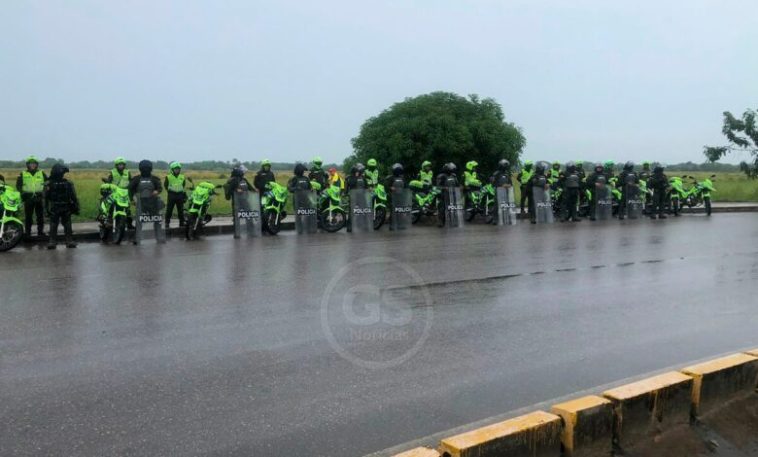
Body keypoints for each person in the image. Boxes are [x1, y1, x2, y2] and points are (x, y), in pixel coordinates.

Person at [128, 160, 164, 244]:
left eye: (147, 168)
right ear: (141, 169)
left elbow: (160, 188)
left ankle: (159, 237)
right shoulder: (136, 179)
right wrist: (132, 199)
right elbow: (130, 190)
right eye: (144, 169)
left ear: (150, 169)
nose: (146, 170)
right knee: (139, 221)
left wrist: (157, 191)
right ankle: (137, 239)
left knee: (157, 219)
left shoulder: (155, 179)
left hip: (153, 203)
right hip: (140, 203)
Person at [44, 164, 79, 249]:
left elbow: (73, 196)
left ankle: (69, 240)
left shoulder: (68, 183)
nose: (62, 174)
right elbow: (44, 198)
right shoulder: (49, 184)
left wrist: (76, 206)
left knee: (67, 224)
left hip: (66, 206)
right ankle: (52, 241)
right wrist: (45, 209)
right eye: (62, 172)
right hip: (55, 206)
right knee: (53, 224)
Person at [16, 155, 47, 238]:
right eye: (30, 163)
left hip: (39, 197)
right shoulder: (23, 173)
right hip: (28, 197)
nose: (32, 165)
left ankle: (40, 232)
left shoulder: (42, 173)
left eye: (34, 163)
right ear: (27, 164)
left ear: (37, 164)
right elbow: (18, 185)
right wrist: (22, 193)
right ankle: (28, 233)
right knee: (28, 217)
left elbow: (47, 184)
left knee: (40, 217)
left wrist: (44, 192)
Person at [103, 157, 134, 228]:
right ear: (116, 165)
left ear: (124, 165)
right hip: (115, 192)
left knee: (127, 209)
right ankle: (109, 220)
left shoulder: (127, 172)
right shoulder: (112, 172)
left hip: (124, 193)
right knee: (111, 206)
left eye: (122, 164)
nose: (121, 166)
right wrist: (106, 182)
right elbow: (109, 180)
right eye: (119, 164)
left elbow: (131, 181)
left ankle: (129, 224)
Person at [164, 161, 192, 229]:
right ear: (172, 169)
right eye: (176, 169)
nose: (177, 170)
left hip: (180, 195)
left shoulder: (182, 177)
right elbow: (166, 185)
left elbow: (183, 185)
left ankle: (181, 223)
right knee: (169, 210)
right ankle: (167, 223)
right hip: (171, 195)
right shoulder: (168, 177)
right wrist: (171, 191)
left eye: (178, 169)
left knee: (180, 210)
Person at [345, 163, 368, 233]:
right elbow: (349, 186)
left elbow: (366, 186)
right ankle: (349, 227)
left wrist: (368, 189)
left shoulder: (363, 178)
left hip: (362, 197)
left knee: (363, 211)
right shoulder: (350, 178)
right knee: (352, 212)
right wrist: (345, 193)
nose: (361, 172)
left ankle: (363, 225)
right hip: (353, 197)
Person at [385, 163, 409, 230]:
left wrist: (407, 191)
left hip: (401, 197)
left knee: (400, 211)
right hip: (393, 197)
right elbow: (386, 187)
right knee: (393, 212)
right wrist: (391, 188)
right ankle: (392, 225)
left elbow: (406, 187)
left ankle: (400, 225)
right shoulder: (391, 178)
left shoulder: (403, 178)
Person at [490, 159, 513, 225]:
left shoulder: (507, 174)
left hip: (506, 192)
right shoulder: (496, 173)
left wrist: (508, 185)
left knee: (506, 205)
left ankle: (507, 219)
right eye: (505, 165)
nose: (506, 167)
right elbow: (493, 183)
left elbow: (510, 183)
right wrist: (501, 185)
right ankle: (495, 219)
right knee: (496, 206)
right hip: (498, 191)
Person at [435, 162, 459, 227]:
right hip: (443, 195)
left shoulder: (454, 176)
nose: (452, 170)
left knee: (453, 208)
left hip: (452, 195)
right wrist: (444, 188)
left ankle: (454, 221)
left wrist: (459, 188)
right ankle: (441, 222)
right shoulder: (441, 176)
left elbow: (457, 184)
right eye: (451, 168)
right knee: (442, 208)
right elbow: (438, 186)